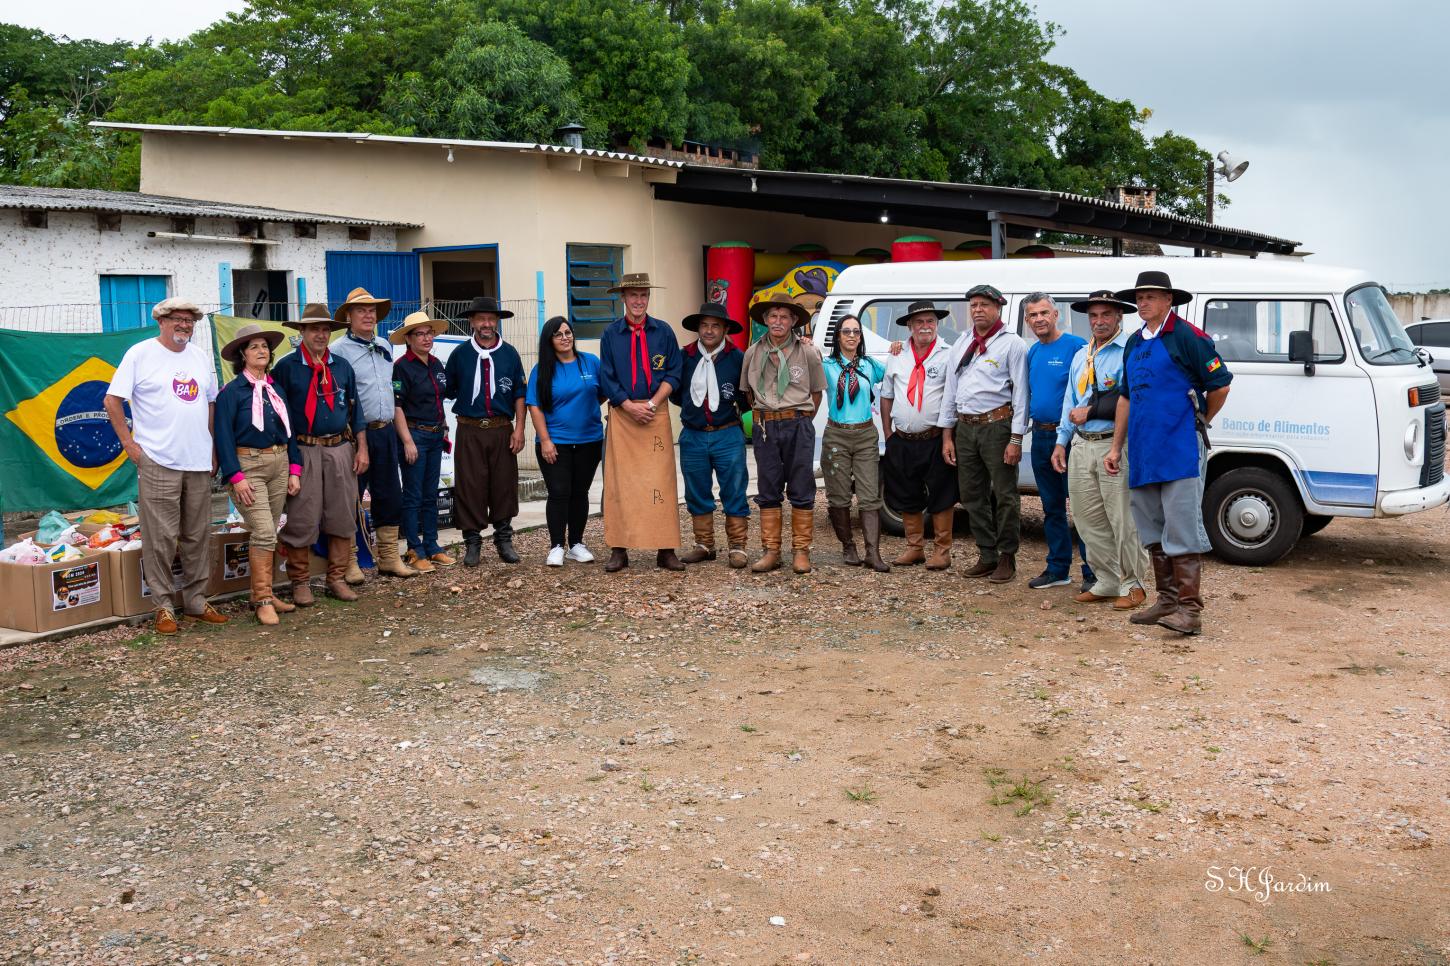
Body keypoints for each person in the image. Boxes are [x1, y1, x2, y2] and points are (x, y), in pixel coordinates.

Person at [1106, 270, 1232, 635]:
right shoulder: (1134, 343)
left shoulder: (1188, 338)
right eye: (1139, 297)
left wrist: (1200, 420)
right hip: (1143, 449)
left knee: (1181, 527)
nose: (1143, 302)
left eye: (1151, 296)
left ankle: (1190, 612)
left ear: (1168, 300)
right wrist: (1116, 446)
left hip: (1178, 448)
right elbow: (1126, 396)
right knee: (1152, 527)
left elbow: (1220, 384)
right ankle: (1166, 601)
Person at [103, 297, 226, 634]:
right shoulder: (140, 354)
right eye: (178, 319)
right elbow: (112, 400)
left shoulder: (200, 358)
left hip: (198, 460)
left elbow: (211, 404)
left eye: (190, 320)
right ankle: (163, 605)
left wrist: (213, 447)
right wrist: (129, 445)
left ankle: (196, 602)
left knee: (197, 535)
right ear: (161, 321)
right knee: (160, 538)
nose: (185, 325)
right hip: (157, 459)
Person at [1052, 291, 1151, 610]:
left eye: (1106, 315)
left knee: (1122, 518)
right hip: (1082, 443)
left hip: (1113, 442)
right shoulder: (1082, 354)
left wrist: (1093, 412)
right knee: (1085, 516)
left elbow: (1132, 399)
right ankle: (1106, 579)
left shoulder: (1130, 352)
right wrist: (1061, 441)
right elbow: (1071, 400)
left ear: (1119, 317)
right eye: (1093, 316)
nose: (1098, 321)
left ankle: (1133, 583)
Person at [273, 302, 369, 605]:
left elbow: (357, 410)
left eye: (325, 329)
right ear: (301, 332)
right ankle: (300, 581)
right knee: (302, 516)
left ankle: (336, 578)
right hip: (304, 449)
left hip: (340, 448)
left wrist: (361, 448)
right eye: (314, 328)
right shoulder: (287, 368)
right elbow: (279, 415)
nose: (320, 334)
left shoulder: (341, 367)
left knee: (342, 515)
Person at [939, 284, 1030, 582]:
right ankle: (987, 553)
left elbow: (1021, 395)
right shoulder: (963, 341)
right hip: (966, 427)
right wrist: (947, 435)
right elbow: (951, 390)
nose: (978, 310)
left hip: (997, 426)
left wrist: (1016, 438)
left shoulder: (1012, 344)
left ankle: (1007, 556)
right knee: (971, 494)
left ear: (998, 308)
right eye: (974, 305)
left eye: (984, 305)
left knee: (1005, 494)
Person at [597, 272, 685, 572]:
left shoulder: (664, 332)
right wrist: (628, 405)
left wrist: (650, 403)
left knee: (661, 482)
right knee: (620, 484)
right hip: (623, 414)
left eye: (643, 295)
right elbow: (606, 377)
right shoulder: (610, 334)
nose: (638, 301)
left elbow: (674, 372)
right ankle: (619, 548)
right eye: (633, 295)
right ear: (623, 298)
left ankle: (666, 548)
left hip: (654, 410)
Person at [213, 322, 296, 625]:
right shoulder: (231, 393)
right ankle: (262, 599)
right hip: (247, 466)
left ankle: (266, 592)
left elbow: (290, 431)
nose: (262, 351)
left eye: (265, 346)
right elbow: (222, 437)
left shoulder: (276, 390)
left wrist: (294, 468)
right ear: (242, 355)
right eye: (254, 347)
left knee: (270, 532)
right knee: (262, 530)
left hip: (279, 461)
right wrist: (235, 476)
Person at [330, 286, 414, 579]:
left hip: (385, 430)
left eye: (371, 311)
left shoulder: (384, 345)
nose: (368, 315)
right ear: (349, 316)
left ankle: (389, 557)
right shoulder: (338, 350)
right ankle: (349, 560)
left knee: (389, 494)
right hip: (356, 434)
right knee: (351, 496)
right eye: (361, 311)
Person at [741, 299, 826, 574]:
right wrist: (768, 417)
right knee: (768, 487)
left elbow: (816, 392)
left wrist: (799, 420)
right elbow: (748, 393)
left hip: (798, 424)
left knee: (802, 487)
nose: (778, 321)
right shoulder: (752, 353)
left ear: (793, 322)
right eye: (773, 316)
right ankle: (771, 551)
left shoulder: (808, 353)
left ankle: (801, 551)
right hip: (766, 426)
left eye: (785, 317)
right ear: (765, 319)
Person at [444, 296, 527, 567]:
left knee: (503, 484)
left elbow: (519, 394)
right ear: (471, 322)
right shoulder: (460, 355)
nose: (486, 324)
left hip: (502, 428)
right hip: (469, 429)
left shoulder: (510, 354)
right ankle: (472, 543)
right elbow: (447, 390)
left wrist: (520, 429)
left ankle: (504, 539)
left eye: (491, 319)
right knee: (470, 486)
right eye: (481, 319)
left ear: (497, 322)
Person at [1022, 293, 1094, 591]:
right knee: (1051, 507)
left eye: (1043, 313)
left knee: (1082, 507)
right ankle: (1057, 569)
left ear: (1056, 315)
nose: (1039, 319)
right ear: (1027, 321)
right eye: (1032, 316)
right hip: (1040, 436)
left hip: (1071, 438)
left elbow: (1088, 392)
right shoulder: (1033, 352)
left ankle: (1093, 572)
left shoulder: (1077, 347)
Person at [880, 301, 957, 569]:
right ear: (910, 327)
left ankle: (942, 551)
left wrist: (948, 437)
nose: (926, 326)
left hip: (935, 438)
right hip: (902, 439)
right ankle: (914, 547)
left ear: (937, 325)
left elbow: (951, 399)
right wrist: (889, 433)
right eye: (920, 322)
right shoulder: (897, 355)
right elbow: (887, 395)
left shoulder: (949, 354)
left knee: (942, 493)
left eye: (931, 322)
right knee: (906, 491)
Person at [672, 302, 750, 568]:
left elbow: (746, 396)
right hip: (693, 434)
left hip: (727, 433)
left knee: (734, 488)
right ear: (697, 328)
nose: (709, 330)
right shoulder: (684, 357)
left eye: (715, 325)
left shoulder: (738, 358)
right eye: (704, 325)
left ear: (725, 329)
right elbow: (674, 392)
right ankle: (704, 544)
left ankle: (738, 547)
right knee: (696, 489)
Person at [527, 316, 605, 566]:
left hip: (589, 440)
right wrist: (546, 440)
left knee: (580, 492)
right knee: (559, 492)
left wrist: (584, 413)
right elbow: (535, 407)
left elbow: (602, 393)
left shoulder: (590, 362)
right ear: (549, 340)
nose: (565, 337)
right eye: (558, 334)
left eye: (568, 332)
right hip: (555, 442)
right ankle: (557, 546)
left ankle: (577, 544)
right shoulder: (542, 370)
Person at [820, 314, 890, 572]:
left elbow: (899, 371)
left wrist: (898, 349)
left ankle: (873, 552)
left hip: (865, 435)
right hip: (836, 434)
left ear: (861, 337)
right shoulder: (826, 365)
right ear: (837, 336)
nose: (851, 336)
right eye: (846, 331)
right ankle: (848, 546)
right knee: (838, 495)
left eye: (856, 332)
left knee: (870, 496)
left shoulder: (871, 366)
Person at [391, 311, 453, 572]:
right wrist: (407, 441)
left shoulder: (437, 364)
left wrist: (445, 428)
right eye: (420, 334)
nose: (426, 338)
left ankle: (432, 545)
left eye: (429, 333)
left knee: (430, 494)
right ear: (409, 338)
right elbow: (397, 406)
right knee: (413, 494)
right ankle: (414, 549)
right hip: (415, 435)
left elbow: (439, 400)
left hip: (436, 434)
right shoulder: (401, 367)